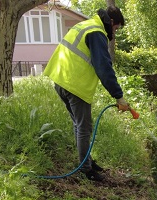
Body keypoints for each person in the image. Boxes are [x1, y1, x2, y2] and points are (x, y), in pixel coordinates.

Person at [44, 6, 130, 181]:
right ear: (112, 22)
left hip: (60, 80)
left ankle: (86, 160)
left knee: (78, 124)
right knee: (84, 127)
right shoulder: (97, 32)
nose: (115, 32)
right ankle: (86, 170)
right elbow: (103, 68)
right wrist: (119, 96)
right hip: (74, 85)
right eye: (116, 29)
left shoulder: (86, 25)